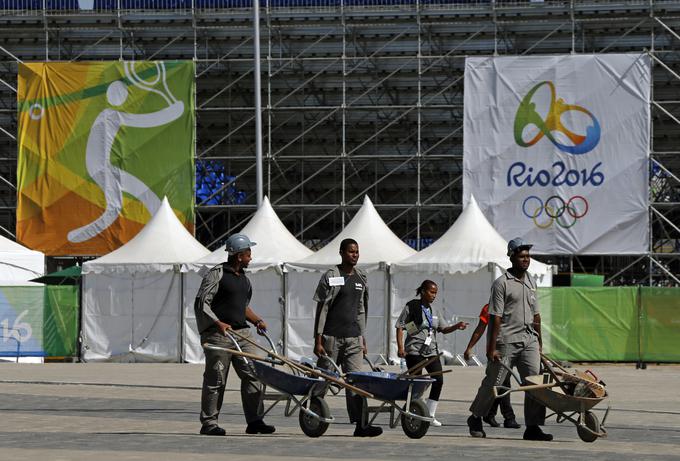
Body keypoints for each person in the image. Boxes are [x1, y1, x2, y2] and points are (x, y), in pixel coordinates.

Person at [467, 237, 552, 441]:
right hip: (505, 341)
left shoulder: (531, 280)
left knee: (535, 383)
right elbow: (495, 317)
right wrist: (491, 347)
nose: (526, 259)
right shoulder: (501, 283)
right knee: (495, 383)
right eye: (522, 256)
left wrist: (539, 343)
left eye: (528, 256)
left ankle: (532, 427)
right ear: (512, 257)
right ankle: (476, 417)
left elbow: (537, 315)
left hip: (529, 339)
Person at [194, 233, 275, 436]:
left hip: (242, 334)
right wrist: (217, 322)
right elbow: (202, 303)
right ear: (239, 255)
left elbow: (242, 307)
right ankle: (209, 423)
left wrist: (256, 320)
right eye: (249, 253)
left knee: (253, 375)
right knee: (216, 379)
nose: (251, 257)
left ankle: (255, 421)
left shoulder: (244, 280)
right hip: (218, 335)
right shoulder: (217, 274)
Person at [313, 238, 381, 437]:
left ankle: (362, 425)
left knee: (356, 383)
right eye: (351, 252)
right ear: (342, 252)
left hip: (353, 340)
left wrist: (362, 337)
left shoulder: (361, 278)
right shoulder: (331, 276)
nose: (355, 255)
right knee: (324, 379)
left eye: (357, 252)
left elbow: (361, 310)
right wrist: (318, 339)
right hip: (331, 338)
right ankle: (313, 416)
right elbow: (322, 309)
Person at [395, 280, 468, 426]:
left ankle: (430, 414)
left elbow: (443, 329)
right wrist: (401, 348)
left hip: (431, 351)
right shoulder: (412, 306)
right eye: (431, 292)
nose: (434, 295)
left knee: (438, 381)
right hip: (414, 351)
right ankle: (414, 412)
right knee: (416, 383)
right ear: (423, 291)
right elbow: (400, 326)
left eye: (435, 293)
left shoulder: (435, 311)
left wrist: (456, 326)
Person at [463, 304, 520, 429]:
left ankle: (495, 414)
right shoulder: (489, 308)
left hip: (512, 351)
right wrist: (469, 347)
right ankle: (506, 417)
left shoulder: (515, 307)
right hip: (497, 353)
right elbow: (480, 328)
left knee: (502, 384)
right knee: (499, 384)